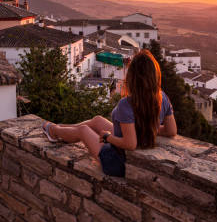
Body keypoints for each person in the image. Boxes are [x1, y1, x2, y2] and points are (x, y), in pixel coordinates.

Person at [42, 49, 177, 177]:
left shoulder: (127, 104)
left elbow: (130, 144)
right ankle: (63, 128)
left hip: (116, 161)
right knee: (98, 120)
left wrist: (108, 137)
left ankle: (53, 131)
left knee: (83, 130)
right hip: (127, 148)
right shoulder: (162, 97)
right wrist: (149, 127)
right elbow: (171, 130)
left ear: (132, 77)